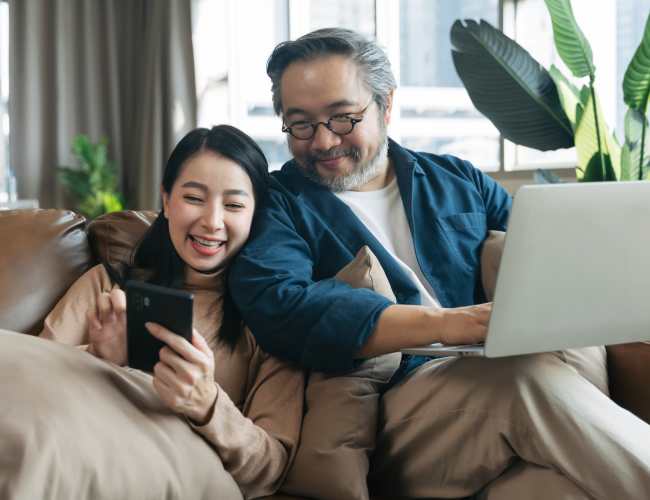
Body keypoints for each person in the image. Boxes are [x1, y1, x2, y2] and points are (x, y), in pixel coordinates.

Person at [229, 28, 650, 500]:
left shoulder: (456, 179)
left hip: (500, 403)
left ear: (386, 105)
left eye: (343, 118)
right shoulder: (275, 205)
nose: (324, 141)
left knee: (554, 487)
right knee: (521, 382)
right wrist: (446, 324)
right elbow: (282, 304)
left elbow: (546, 255)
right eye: (301, 124)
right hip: (395, 412)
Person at [8, 125, 303, 500]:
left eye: (233, 205)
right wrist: (100, 360)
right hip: (78, 451)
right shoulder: (108, 286)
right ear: (166, 201)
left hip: (176, 476)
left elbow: (270, 468)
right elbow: (29, 384)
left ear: (255, 214)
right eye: (194, 198)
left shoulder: (272, 317)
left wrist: (207, 404)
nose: (212, 221)